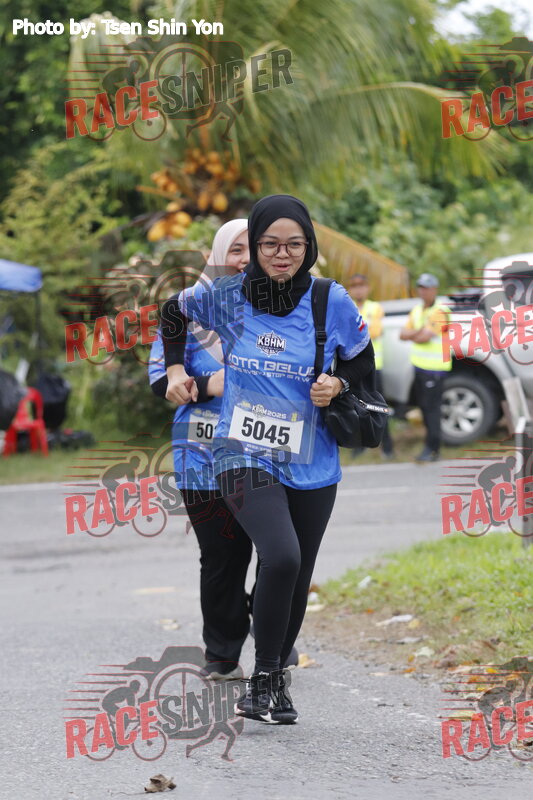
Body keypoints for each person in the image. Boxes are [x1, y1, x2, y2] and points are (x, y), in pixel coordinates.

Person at [161, 194, 374, 724]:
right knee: (281, 556)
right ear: (256, 247)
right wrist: (174, 371)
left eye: (294, 244)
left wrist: (338, 383)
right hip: (241, 453)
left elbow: (363, 361)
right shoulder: (228, 296)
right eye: (270, 244)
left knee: (297, 575)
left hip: (312, 457)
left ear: (309, 246)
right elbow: (171, 311)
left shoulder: (329, 300)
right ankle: (262, 675)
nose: (283, 254)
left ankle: (270, 680)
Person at [149, 220, 253, 680]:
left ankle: (274, 631)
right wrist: (207, 384)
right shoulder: (186, 311)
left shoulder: (280, 310)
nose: (246, 259)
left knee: (278, 551)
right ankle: (223, 653)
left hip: (268, 451)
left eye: (255, 248)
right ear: (217, 254)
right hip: (201, 456)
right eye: (236, 250)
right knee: (221, 553)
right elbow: (161, 380)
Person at [399, 273, 451, 462]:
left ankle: (433, 448)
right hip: (420, 367)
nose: (423, 291)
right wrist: (418, 332)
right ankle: (430, 447)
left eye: (427, 288)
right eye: (420, 287)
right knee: (424, 408)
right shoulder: (417, 310)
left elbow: (424, 338)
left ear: (434, 289)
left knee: (432, 410)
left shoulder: (440, 311)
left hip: (435, 369)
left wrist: (415, 334)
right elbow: (402, 334)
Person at [348, 273, 393, 458]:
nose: (358, 290)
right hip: (353, 368)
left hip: (374, 367)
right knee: (356, 408)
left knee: (379, 407)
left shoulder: (375, 308)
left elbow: (374, 331)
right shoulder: (347, 306)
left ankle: (387, 447)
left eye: (361, 286)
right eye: (354, 286)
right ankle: (360, 445)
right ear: (350, 289)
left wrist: (353, 331)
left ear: (367, 288)